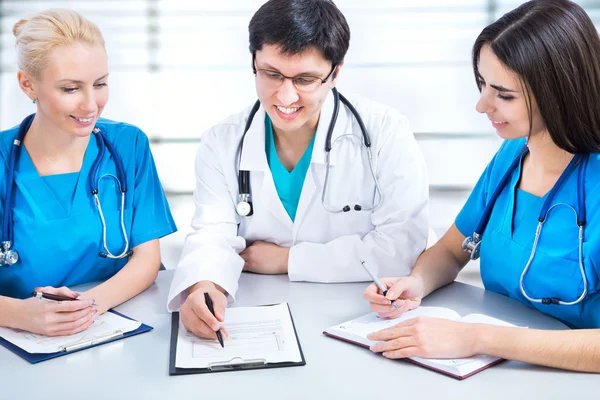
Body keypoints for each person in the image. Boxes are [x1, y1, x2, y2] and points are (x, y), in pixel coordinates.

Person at [168, 0, 429, 340]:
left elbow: (401, 249)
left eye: (305, 79)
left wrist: (287, 260)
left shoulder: (384, 131)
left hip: (361, 316)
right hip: (254, 314)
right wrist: (203, 287)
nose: (286, 95)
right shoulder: (222, 141)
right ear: (254, 63)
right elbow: (211, 235)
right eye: (271, 74)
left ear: (335, 72)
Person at [363, 0, 600, 373]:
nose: (481, 105)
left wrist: (475, 338)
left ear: (560, 93)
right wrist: (416, 284)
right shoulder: (510, 158)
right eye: (482, 85)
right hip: (495, 372)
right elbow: (451, 251)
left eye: (504, 95)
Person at [0, 9, 176, 337]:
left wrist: (86, 307)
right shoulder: (1, 159)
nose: (91, 104)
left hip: (116, 326)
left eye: (100, 84)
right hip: (19, 344)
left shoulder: (128, 145)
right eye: (71, 89)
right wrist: (20, 313)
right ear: (28, 84)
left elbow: (147, 259)